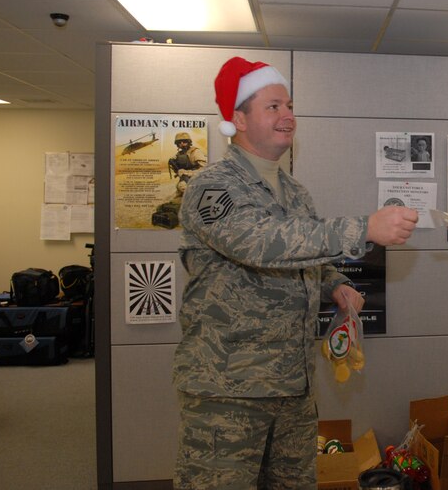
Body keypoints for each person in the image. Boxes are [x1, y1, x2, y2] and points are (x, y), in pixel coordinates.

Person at [171, 56, 419, 489]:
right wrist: (364, 227)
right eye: (273, 107)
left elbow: (305, 257)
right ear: (239, 119)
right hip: (229, 389)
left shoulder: (294, 191)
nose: (288, 116)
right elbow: (259, 242)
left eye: (289, 106)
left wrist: (336, 284)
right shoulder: (211, 186)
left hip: (292, 386)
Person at [169, 132, 207, 199]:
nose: (182, 144)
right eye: (179, 142)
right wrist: (177, 169)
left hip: (197, 179)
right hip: (184, 180)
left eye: (184, 141)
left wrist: (188, 173)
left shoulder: (195, 152)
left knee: (184, 187)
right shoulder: (178, 154)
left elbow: (204, 170)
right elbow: (179, 171)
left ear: (189, 142)